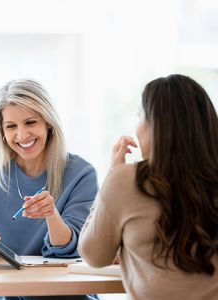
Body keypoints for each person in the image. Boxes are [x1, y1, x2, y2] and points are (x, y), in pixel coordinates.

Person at [78, 74, 218, 299]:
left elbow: (94, 256)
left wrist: (112, 176)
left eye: (139, 115)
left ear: (156, 125)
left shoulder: (125, 180)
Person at [0, 79, 98, 300]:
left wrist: (52, 215)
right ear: (1, 131)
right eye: (11, 126)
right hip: (3, 295)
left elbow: (73, 250)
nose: (22, 136)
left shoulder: (81, 174)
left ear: (48, 123)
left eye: (30, 122)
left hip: (65, 297)